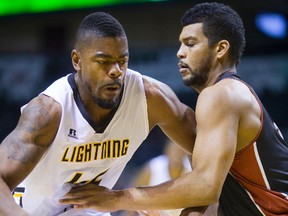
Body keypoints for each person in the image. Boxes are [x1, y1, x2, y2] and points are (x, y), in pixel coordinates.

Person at [59, 2, 288, 216]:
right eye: (180, 44)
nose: (179, 52)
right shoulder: (232, 95)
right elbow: (215, 199)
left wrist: (117, 198)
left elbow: (205, 186)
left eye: (190, 44)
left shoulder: (221, 95)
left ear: (221, 49)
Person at [0, 12, 196, 216]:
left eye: (122, 60)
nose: (116, 71)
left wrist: (199, 210)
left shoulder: (150, 98)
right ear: (77, 60)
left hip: (92, 212)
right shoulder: (48, 112)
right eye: (104, 61)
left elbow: (206, 153)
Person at [128, 139, 191, 216]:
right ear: (167, 151)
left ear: (185, 153)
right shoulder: (153, 167)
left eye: (179, 152)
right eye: (174, 151)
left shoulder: (190, 172)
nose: (176, 155)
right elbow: (133, 193)